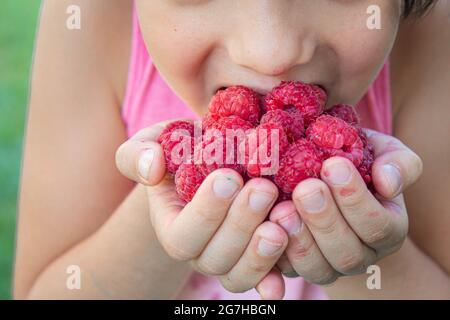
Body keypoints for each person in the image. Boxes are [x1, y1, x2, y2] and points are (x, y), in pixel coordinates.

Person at [13, 0, 450, 299]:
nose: (270, 54)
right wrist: (168, 210)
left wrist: (362, 252)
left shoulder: (431, 29)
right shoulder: (90, 17)